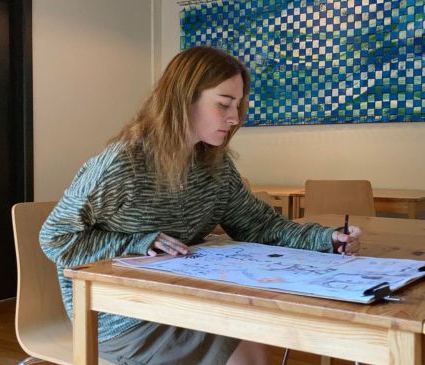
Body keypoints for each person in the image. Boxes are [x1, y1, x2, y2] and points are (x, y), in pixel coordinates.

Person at [39, 46, 361, 365]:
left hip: (180, 300)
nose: (234, 118)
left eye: (238, 105)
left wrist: (325, 239)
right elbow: (56, 238)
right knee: (247, 350)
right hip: (120, 319)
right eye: (223, 104)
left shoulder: (215, 166)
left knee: (254, 337)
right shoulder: (122, 164)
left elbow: (261, 225)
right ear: (184, 99)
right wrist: (138, 243)